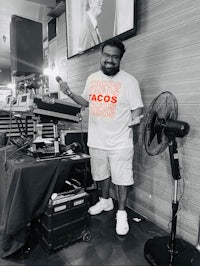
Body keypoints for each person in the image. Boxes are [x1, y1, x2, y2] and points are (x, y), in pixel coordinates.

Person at [59, 39, 144, 236]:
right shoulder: (92, 79)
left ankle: (121, 213)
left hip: (121, 141)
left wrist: (136, 119)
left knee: (122, 178)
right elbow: (85, 101)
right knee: (101, 174)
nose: (109, 60)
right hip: (97, 140)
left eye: (114, 57)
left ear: (120, 59)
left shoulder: (129, 81)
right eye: (106, 55)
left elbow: (137, 107)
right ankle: (105, 201)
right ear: (101, 55)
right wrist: (69, 93)